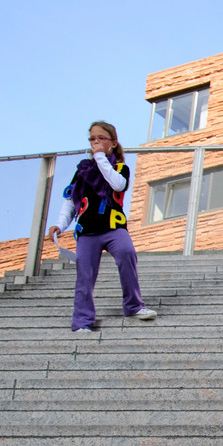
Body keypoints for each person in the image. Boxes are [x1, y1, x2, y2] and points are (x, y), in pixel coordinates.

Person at [48, 121, 156, 332]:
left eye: (100, 139)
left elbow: (118, 184)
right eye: (92, 139)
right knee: (85, 275)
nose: (95, 143)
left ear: (113, 143)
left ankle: (134, 306)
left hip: (114, 227)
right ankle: (82, 321)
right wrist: (60, 225)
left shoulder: (120, 168)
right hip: (88, 230)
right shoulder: (82, 171)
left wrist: (100, 158)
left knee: (127, 253)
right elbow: (71, 200)